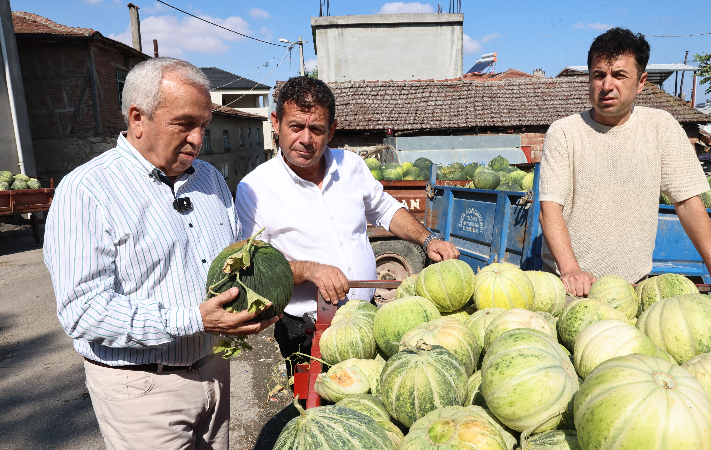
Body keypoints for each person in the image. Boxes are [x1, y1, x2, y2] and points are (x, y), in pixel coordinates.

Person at [43, 57, 278, 450]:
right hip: (144, 389)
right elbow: (83, 310)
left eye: (204, 126)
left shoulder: (210, 178)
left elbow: (235, 260)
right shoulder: (87, 191)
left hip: (214, 373)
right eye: (184, 124)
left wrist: (259, 296)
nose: (198, 140)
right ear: (138, 118)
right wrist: (192, 319)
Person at [235, 76, 460, 373]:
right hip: (307, 329)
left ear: (332, 130)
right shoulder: (255, 188)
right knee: (317, 411)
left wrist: (428, 240)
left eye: (316, 129)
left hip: (367, 318)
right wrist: (309, 270)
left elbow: (386, 209)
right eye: (295, 127)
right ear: (275, 123)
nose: (305, 139)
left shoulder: (351, 166)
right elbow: (253, 268)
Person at [539, 27, 711, 298]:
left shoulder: (661, 127)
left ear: (641, 82)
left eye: (619, 75)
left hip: (632, 288)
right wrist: (571, 271)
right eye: (599, 75)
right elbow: (550, 209)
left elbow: (687, 203)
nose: (607, 85)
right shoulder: (564, 132)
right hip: (570, 288)